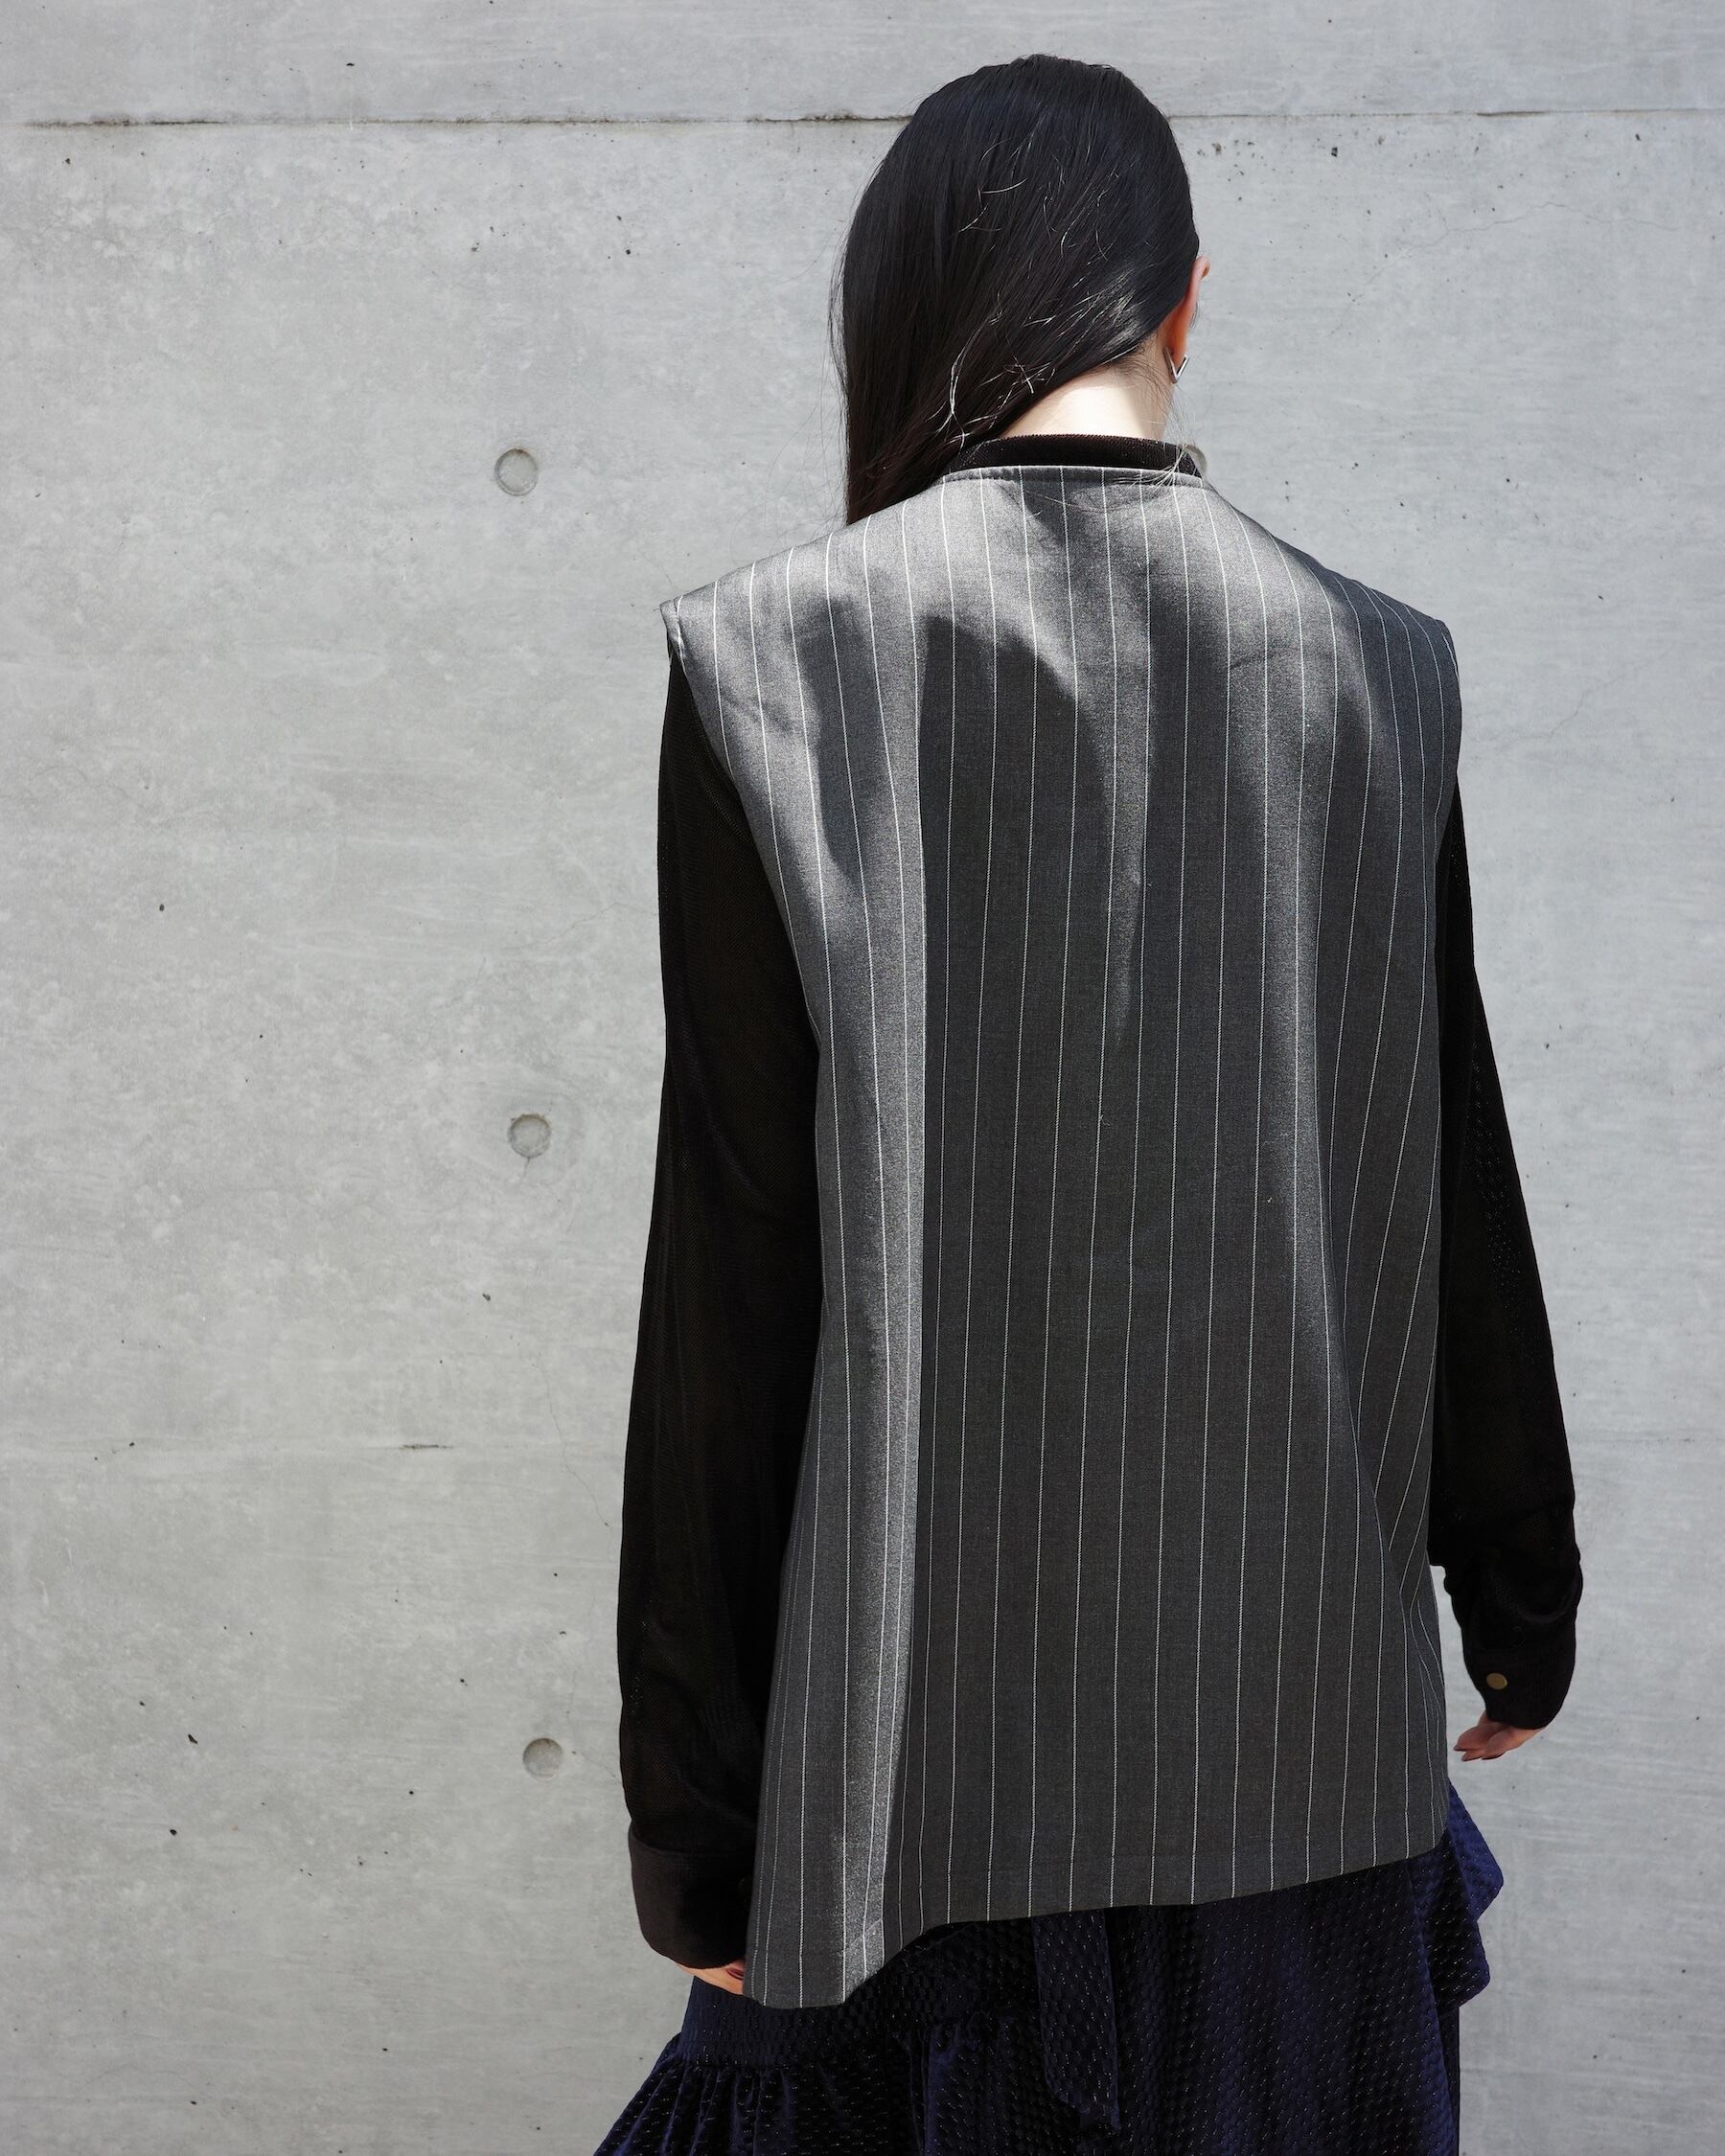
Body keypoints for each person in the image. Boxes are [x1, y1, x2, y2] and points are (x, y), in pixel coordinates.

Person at [596, 53, 1582, 2155]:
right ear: (1185, 303)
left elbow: (735, 1278)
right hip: (1305, 1761)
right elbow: (1449, 1164)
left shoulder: (776, 665)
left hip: (916, 1780)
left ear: (908, 310)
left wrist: (692, 1818)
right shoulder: (1379, 666)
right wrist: (1520, 1591)